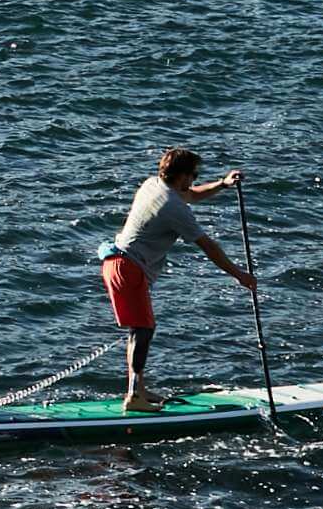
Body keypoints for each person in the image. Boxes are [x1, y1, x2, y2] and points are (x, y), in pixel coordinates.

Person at [100, 146, 252, 410]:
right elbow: (208, 246)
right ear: (181, 175)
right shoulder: (174, 208)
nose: (194, 179)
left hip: (115, 263)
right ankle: (135, 397)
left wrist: (223, 184)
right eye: (193, 174)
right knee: (144, 329)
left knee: (141, 329)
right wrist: (240, 275)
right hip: (129, 269)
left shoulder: (152, 184)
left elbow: (191, 195)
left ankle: (139, 390)